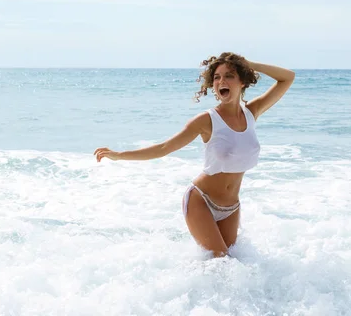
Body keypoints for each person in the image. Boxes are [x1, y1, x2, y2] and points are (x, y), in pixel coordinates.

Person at [94, 52, 295, 257]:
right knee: (220, 262)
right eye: (217, 77)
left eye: (229, 76)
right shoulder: (207, 120)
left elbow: (287, 77)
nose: (221, 81)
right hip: (201, 201)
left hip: (231, 206)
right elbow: (164, 148)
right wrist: (119, 155)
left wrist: (249, 64)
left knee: (231, 265)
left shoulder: (252, 113)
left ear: (242, 81)